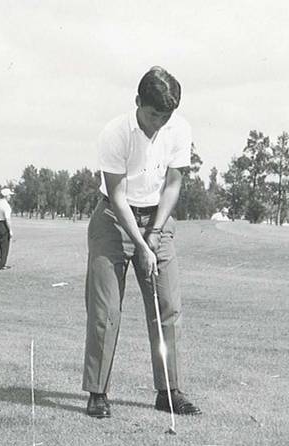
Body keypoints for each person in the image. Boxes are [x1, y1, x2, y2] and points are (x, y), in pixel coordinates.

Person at [82, 66, 201, 419]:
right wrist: (141, 242)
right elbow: (117, 197)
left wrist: (155, 233)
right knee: (106, 311)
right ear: (137, 102)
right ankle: (97, 393)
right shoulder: (115, 133)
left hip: (157, 219)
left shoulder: (178, 128)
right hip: (113, 221)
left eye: (166, 116)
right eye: (153, 115)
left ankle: (168, 390)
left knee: (168, 306)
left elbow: (174, 184)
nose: (159, 124)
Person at [0, 188, 13, 270]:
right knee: (4, 245)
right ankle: (1, 264)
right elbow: (7, 219)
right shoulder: (6, 205)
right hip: (3, 224)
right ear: (6, 196)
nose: (10, 197)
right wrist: (10, 230)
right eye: (9, 195)